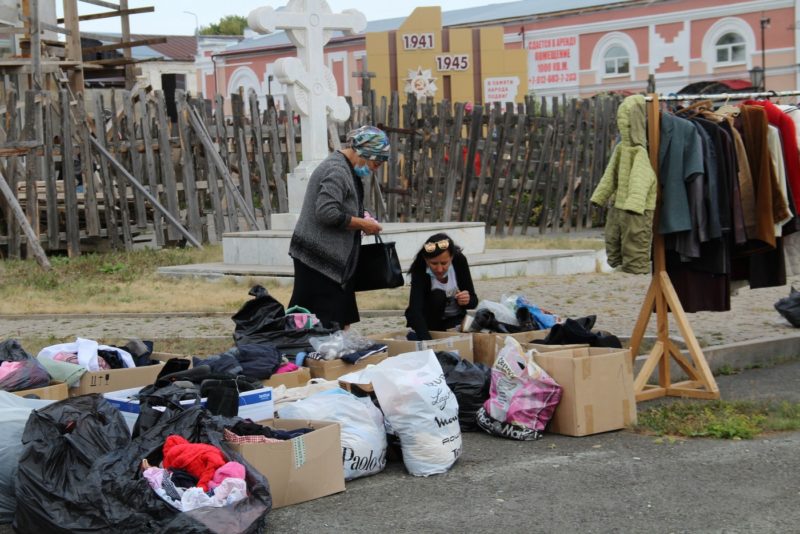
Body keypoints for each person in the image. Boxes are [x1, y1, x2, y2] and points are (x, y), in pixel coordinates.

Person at [288, 125, 389, 330]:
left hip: (333, 260)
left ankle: (333, 356)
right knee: (318, 322)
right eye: (376, 163)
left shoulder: (347, 168)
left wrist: (363, 216)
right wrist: (362, 223)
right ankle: (311, 357)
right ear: (364, 152)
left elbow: (344, 203)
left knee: (341, 319)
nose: (375, 169)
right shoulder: (337, 170)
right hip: (317, 259)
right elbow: (326, 212)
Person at [404, 233, 479, 340]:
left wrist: (467, 300)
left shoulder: (459, 261)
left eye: (444, 263)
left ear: (452, 257)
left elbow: (474, 301)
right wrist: (428, 342)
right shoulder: (420, 269)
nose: (439, 269)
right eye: (434, 264)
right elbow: (415, 310)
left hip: (454, 319)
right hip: (429, 320)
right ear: (426, 260)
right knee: (438, 295)